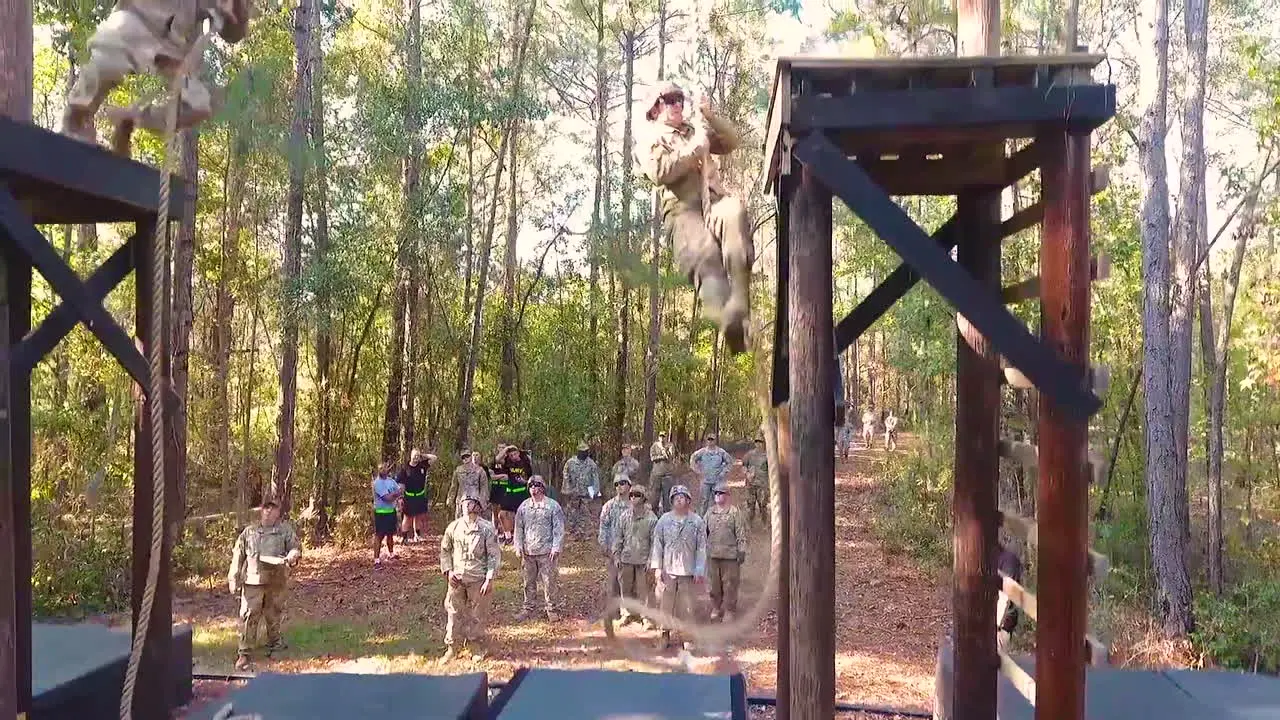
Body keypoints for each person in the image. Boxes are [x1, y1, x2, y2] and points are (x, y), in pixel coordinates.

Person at [636, 80, 753, 354]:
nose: (678, 104)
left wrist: (709, 115)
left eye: (680, 99)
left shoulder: (694, 130)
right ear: (654, 110)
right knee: (706, 261)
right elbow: (660, 173)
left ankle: (739, 300)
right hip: (683, 212)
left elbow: (731, 141)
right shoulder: (651, 140)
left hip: (713, 202)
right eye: (669, 99)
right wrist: (693, 151)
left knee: (734, 211)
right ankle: (730, 325)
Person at [228, 501, 301, 670]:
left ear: (278, 512)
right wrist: (233, 577)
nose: (268, 511)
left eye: (272, 508)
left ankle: (275, 644)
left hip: (276, 580)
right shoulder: (249, 532)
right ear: (261, 511)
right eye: (266, 508)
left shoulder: (285, 530)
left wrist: (292, 556)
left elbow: (295, 548)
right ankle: (244, 653)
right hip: (253, 580)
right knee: (249, 614)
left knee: (274, 612)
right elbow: (238, 555)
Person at [439, 494, 501, 662]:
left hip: (478, 579)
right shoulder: (454, 527)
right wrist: (448, 571)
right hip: (457, 578)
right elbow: (445, 551)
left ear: (478, 506)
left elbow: (494, 555)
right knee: (453, 613)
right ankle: (452, 647)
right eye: (464, 502)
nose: (467, 505)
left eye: (471, 502)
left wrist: (489, 578)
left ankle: (477, 647)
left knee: (477, 615)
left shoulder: (486, 528)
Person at [650, 485, 707, 650]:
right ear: (671, 501)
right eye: (675, 497)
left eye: (682, 497)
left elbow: (701, 547)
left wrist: (699, 569)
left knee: (687, 606)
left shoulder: (697, 521)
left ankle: (687, 637)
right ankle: (664, 635)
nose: (679, 499)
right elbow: (657, 545)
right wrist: (657, 568)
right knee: (665, 605)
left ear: (688, 500)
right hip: (668, 571)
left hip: (687, 571)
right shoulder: (664, 521)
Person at [513, 476, 565, 621]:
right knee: (528, 582)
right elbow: (518, 528)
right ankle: (528, 608)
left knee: (549, 582)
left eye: (536, 485)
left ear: (542, 487)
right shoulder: (523, 506)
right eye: (530, 486)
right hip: (529, 552)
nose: (533, 489)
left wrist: (556, 547)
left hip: (547, 552)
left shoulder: (552, 506)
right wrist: (518, 546)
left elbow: (558, 528)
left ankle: (551, 609)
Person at [612, 485, 659, 628]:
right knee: (625, 588)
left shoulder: (651, 519)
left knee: (643, 589)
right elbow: (618, 538)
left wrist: (652, 560)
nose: (633, 497)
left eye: (637, 495)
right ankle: (627, 614)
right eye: (631, 495)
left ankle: (646, 618)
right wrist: (616, 556)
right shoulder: (624, 517)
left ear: (643, 497)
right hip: (626, 559)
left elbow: (655, 542)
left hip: (643, 560)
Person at [704, 482, 747, 622]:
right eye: (716, 493)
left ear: (727, 495)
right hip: (713, 555)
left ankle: (729, 610)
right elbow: (703, 532)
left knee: (730, 584)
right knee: (714, 585)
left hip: (730, 556)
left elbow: (740, 533)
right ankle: (716, 607)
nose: (717, 495)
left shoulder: (735, 512)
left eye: (721, 493)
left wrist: (741, 550)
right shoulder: (710, 512)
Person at [598, 475, 633, 609]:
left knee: (631, 582)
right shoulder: (609, 506)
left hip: (632, 551)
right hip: (614, 550)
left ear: (629, 485)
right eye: (617, 484)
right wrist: (604, 545)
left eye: (623, 483)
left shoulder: (636, 504)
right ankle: (614, 610)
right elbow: (604, 526)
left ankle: (630, 611)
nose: (619, 486)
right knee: (613, 582)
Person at [562, 442, 602, 540]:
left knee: (585, 513)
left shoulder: (591, 464)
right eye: (582, 451)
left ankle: (584, 533)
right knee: (572, 513)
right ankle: (572, 532)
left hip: (586, 494)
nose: (584, 453)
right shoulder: (570, 463)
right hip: (573, 493)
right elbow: (566, 477)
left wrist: (594, 493)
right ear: (578, 452)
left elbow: (595, 479)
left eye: (586, 451)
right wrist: (568, 491)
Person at [496, 445, 534, 543]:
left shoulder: (525, 462)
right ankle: (508, 537)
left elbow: (530, 477)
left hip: (521, 493)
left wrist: (524, 481)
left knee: (521, 516)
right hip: (510, 492)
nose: (513, 457)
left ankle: (521, 537)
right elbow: (497, 459)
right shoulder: (508, 462)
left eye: (515, 454)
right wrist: (508, 448)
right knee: (502, 514)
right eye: (511, 455)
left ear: (518, 453)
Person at [398, 448, 437, 543]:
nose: (416, 457)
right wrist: (400, 498)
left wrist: (423, 455)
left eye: (418, 456)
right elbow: (401, 484)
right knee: (407, 517)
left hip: (420, 496)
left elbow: (434, 458)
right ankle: (404, 537)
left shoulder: (422, 465)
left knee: (418, 517)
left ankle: (417, 535)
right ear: (410, 455)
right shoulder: (405, 469)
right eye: (414, 455)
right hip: (409, 496)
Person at [689, 433, 732, 515]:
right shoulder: (702, 452)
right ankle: (702, 518)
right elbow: (692, 459)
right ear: (706, 441)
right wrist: (697, 470)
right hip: (705, 481)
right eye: (709, 439)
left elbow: (729, 462)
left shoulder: (720, 452)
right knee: (703, 501)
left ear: (715, 441)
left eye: (712, 440)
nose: (710, 441)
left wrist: (723, 472)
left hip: (717, 481)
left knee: (716, 500)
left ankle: (714, 518)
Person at [371, 463, 402, 566]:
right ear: (378, 470)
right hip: (380, 513)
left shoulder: (391, 481)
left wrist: (394, 494)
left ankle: (391, 553)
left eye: (384, 468)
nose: (383, 470)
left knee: (390, 534)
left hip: (391, 511)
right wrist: (395, 494)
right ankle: (376, 559)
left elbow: (400, 490)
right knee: (379, 535)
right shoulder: (377, 483)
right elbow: (386, 498)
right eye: (380, 468)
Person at [740, 437, 769, 527]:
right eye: (756, 442)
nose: (758, 444)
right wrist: (747, 474)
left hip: (762, 485)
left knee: (763, 505)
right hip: (751, 484)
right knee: (750, 505)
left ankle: (765, 524)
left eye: (760, 442)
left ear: (763, 443)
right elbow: (743, 466)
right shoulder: (749, 454)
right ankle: (749, 524)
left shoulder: (767, 456)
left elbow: (771, 470)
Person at [452, 450, 489, 519]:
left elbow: (484, 486)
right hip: (461, 499)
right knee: (460, 521)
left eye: (467, 456)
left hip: (476, 499)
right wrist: (450, 498)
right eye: (463, 457)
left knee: (477, 521)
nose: (466, 459)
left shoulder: (480, 470)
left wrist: (483, 501)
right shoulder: (458, 470)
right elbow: (454, 486)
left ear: (470, 457)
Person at [649, 432, 676, 515]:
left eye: (663, 436)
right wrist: (661, 457)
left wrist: (665, 451)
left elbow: (670, 457)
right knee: (654, 497)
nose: (662, 438)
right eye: (660, 436)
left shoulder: (670, 445)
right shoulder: (654, 446)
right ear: (658, 437)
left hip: (667, 475)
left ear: (666, 437)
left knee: (667, 498)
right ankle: (654, 515)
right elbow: (652, 458)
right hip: (656, 475)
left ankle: (666, 515)